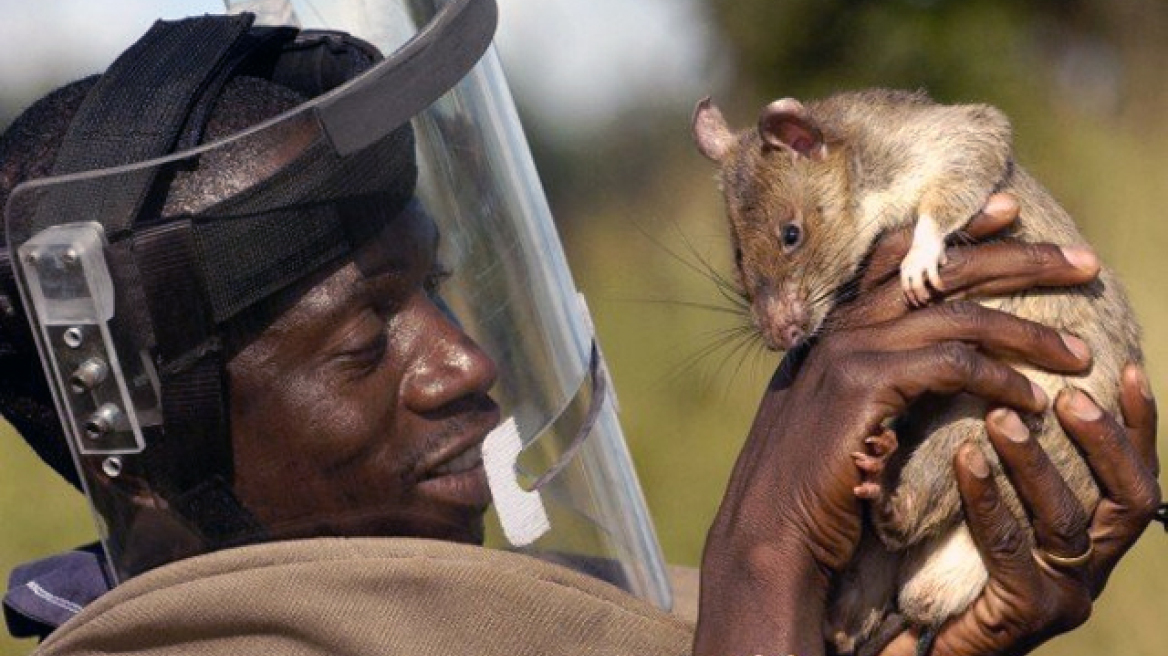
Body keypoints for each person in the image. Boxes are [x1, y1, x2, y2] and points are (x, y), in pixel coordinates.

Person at [0, 2, 1159, 655]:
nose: (467, 362)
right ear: (142, 469)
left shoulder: (556, 608)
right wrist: (762, 553)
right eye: (362, 347)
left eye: (441, 289)